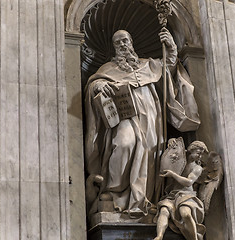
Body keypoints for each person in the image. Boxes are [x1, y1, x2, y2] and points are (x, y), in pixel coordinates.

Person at [84, 28, 200, 216]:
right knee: (124, 143)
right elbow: (94, 83)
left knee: (150, 151)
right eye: (118, 43)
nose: (122, 45)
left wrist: (170, 46)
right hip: (124, 116)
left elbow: (169, 67)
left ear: (131, 42)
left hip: (151, 116)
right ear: (113, 47)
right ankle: (114, 193)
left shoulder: (149, 65)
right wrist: (100, 85)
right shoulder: (107, 69)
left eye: (125, 41)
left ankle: (143, 199)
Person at [154, 140, 208, 240]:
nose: (200, 156)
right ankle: (159, 236)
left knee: (185, 213)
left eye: (201, 154)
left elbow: (188, 182)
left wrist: (172, 175)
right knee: (164, 211)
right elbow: (174, 149)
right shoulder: (179, 158)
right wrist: (171, 142)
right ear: (191, 150)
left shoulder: (197, 168)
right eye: (198, 153)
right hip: (172, 196)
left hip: (187, 196)